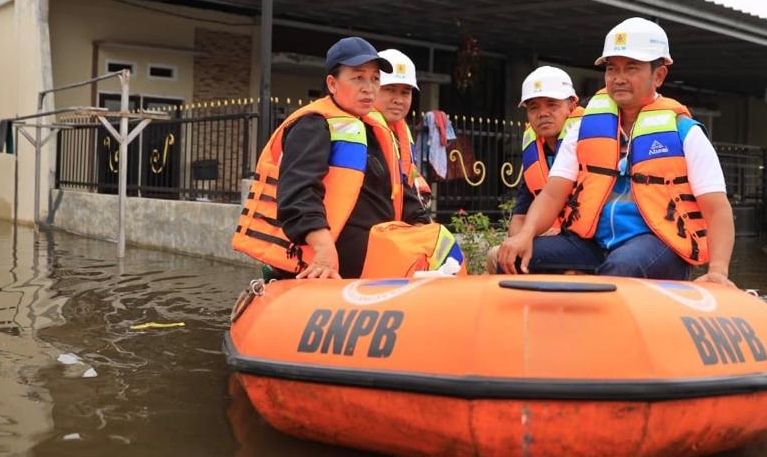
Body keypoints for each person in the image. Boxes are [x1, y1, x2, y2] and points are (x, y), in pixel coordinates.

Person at [496, 18, 736, 287]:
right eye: (612, 69)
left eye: (631, 68)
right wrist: (525, 235)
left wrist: (718, 271)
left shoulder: (685, 133)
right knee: (507, 258)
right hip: (593, 243)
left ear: (658, 75)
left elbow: (716, 209)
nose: (618, 78)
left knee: (621, 267)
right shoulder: (583, 129)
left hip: (659, 243)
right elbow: (553, 193)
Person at [233, 37, 459, 279]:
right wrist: (323, 249)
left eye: (374, 79)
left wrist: (419, 230)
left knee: (439, 240)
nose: (368, 87)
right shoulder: (313, 123)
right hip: (330, 250)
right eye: (358, 77)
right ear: (332, 83)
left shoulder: (375, 131)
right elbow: (297, 193)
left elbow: (402, 194)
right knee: (436, 242)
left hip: (373, 243)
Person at [485, 66, 581, 272]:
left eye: (552, 105)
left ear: (572, 105)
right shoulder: (535, 153)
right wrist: (524, 237)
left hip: (585, 241)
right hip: (548, 238)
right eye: (533, 107)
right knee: (499, 255)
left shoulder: (590, 142)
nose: (542, 113)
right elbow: (518, 217)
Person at [376, 48, 433, 203]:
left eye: (405, 92)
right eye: (389, 90)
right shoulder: (358, 129)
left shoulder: (402, 133)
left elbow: (409, 171)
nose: (398, 100)